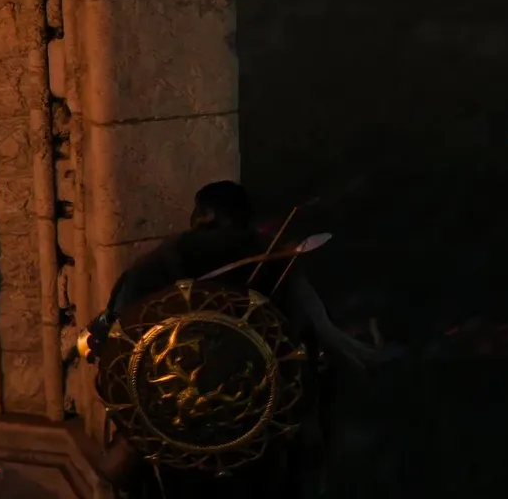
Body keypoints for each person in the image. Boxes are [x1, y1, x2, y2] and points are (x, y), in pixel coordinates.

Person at [94, 181, 377, 498]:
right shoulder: (274, 267)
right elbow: (312, 350)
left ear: (206, 214)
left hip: (178, 429)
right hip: (258, 434)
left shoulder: (158, 268)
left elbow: (110, 338)